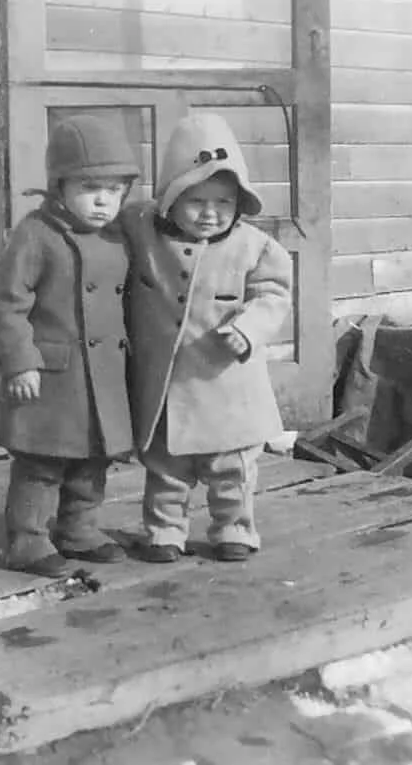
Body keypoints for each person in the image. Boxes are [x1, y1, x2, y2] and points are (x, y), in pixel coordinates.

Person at [122, 114, 294, 565]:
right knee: (166, 469)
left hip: (226, 384)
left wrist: (248, 328)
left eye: (223, 202)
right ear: (170, 199)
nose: (210, 213)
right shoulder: (144, 234)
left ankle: (234, 528)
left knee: (231, 469)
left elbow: (273, 296)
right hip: (168, 386)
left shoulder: (256, 247)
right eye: (195, 200)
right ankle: (164, 531)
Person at [0, 115, 140, 577]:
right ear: (59, 186)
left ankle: (78, 529)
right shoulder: (36, 233)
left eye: (114, 190)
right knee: (42, 463)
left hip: (103, 376)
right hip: (51, 377)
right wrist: (20, 361)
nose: (103, 200)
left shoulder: (117, 236)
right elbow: (7, 301)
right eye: (90, 187)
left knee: (92, 460)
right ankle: (27, 540)